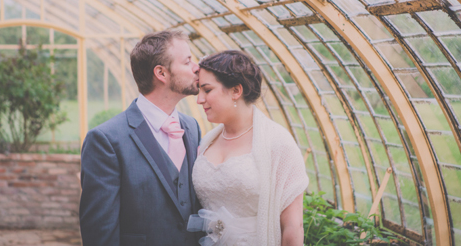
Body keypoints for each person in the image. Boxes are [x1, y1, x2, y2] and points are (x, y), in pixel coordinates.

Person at [79, 30, 203, 246]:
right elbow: (100, 232)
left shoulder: (192, 127)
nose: (197, 68)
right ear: (161, 73)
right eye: (188, 61)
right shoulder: (106, 140)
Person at [189, 50, 308, 246]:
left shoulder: (278, 143)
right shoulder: (207, 141)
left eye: (207, 90)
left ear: (236, 91)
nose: (199, 99)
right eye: (199, 90)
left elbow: (293, 228)